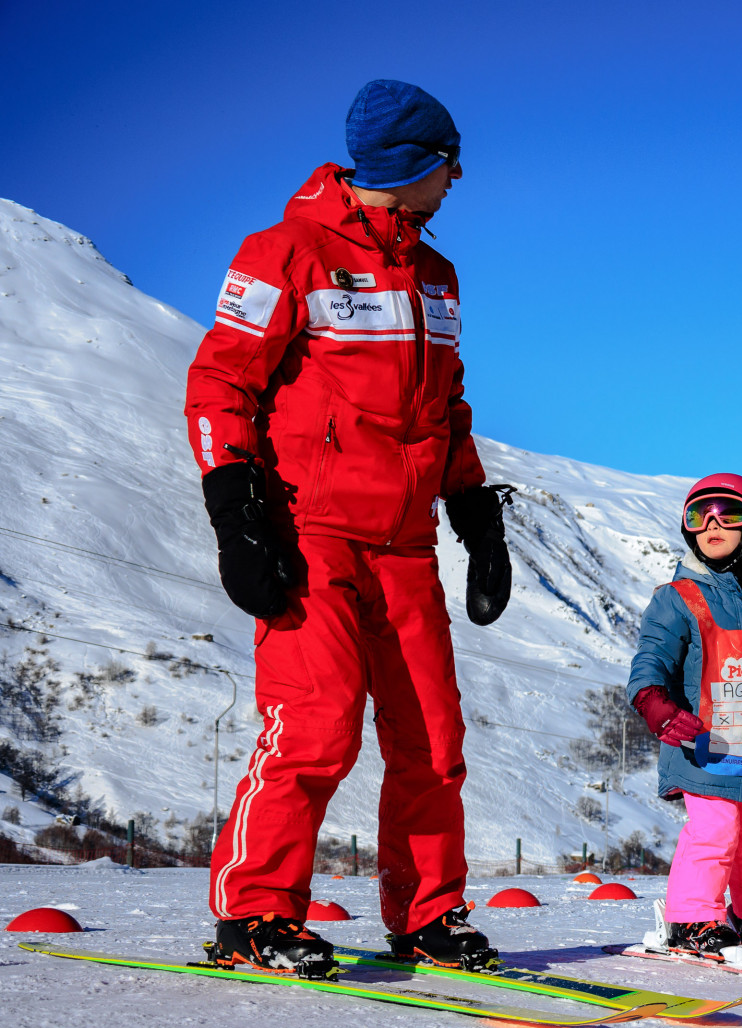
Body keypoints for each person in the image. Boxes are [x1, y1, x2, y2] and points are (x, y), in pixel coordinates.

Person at [184, 80, 510, 977]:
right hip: (313, 536)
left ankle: (429, 916)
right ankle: (253, 914)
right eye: (450, 163)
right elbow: (221, 385)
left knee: (434, 744)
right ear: (414, 165)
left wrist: (477, 517)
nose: (456, 180)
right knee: (316, 726)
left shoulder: (435, 276)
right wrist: (235, 513)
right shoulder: (285, 252)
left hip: (405, 548)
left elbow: (446, 407)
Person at [626, 474, 742, 965]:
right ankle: (692, 918)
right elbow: (652, 659)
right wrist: (655, 703)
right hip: (702, 743)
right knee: (714, 830)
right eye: (698, 514)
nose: (711, 523)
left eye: (727, 513)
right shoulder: (678, 597)